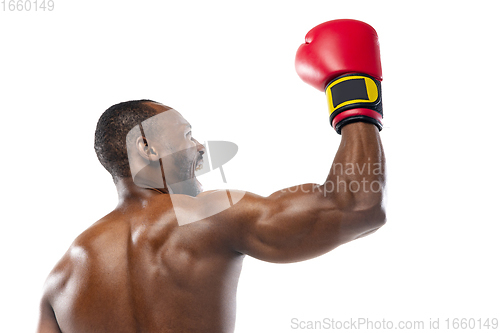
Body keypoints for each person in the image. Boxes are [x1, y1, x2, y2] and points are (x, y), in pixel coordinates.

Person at [37, 19, 386, 333]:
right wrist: (352, 91)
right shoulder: (206, 214)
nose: (201, 147)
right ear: (149, 148)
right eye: (186, 135)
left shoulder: (60, 279)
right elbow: (357, 206)